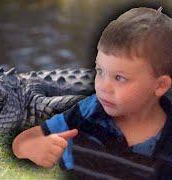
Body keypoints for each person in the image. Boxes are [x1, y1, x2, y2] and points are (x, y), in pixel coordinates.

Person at [12, 7, 172, 178]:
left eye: (120, 78)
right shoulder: (86, 113)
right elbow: (23, 141)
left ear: (160, 85)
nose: (103, 86)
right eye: (100, 71)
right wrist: (31, 147)